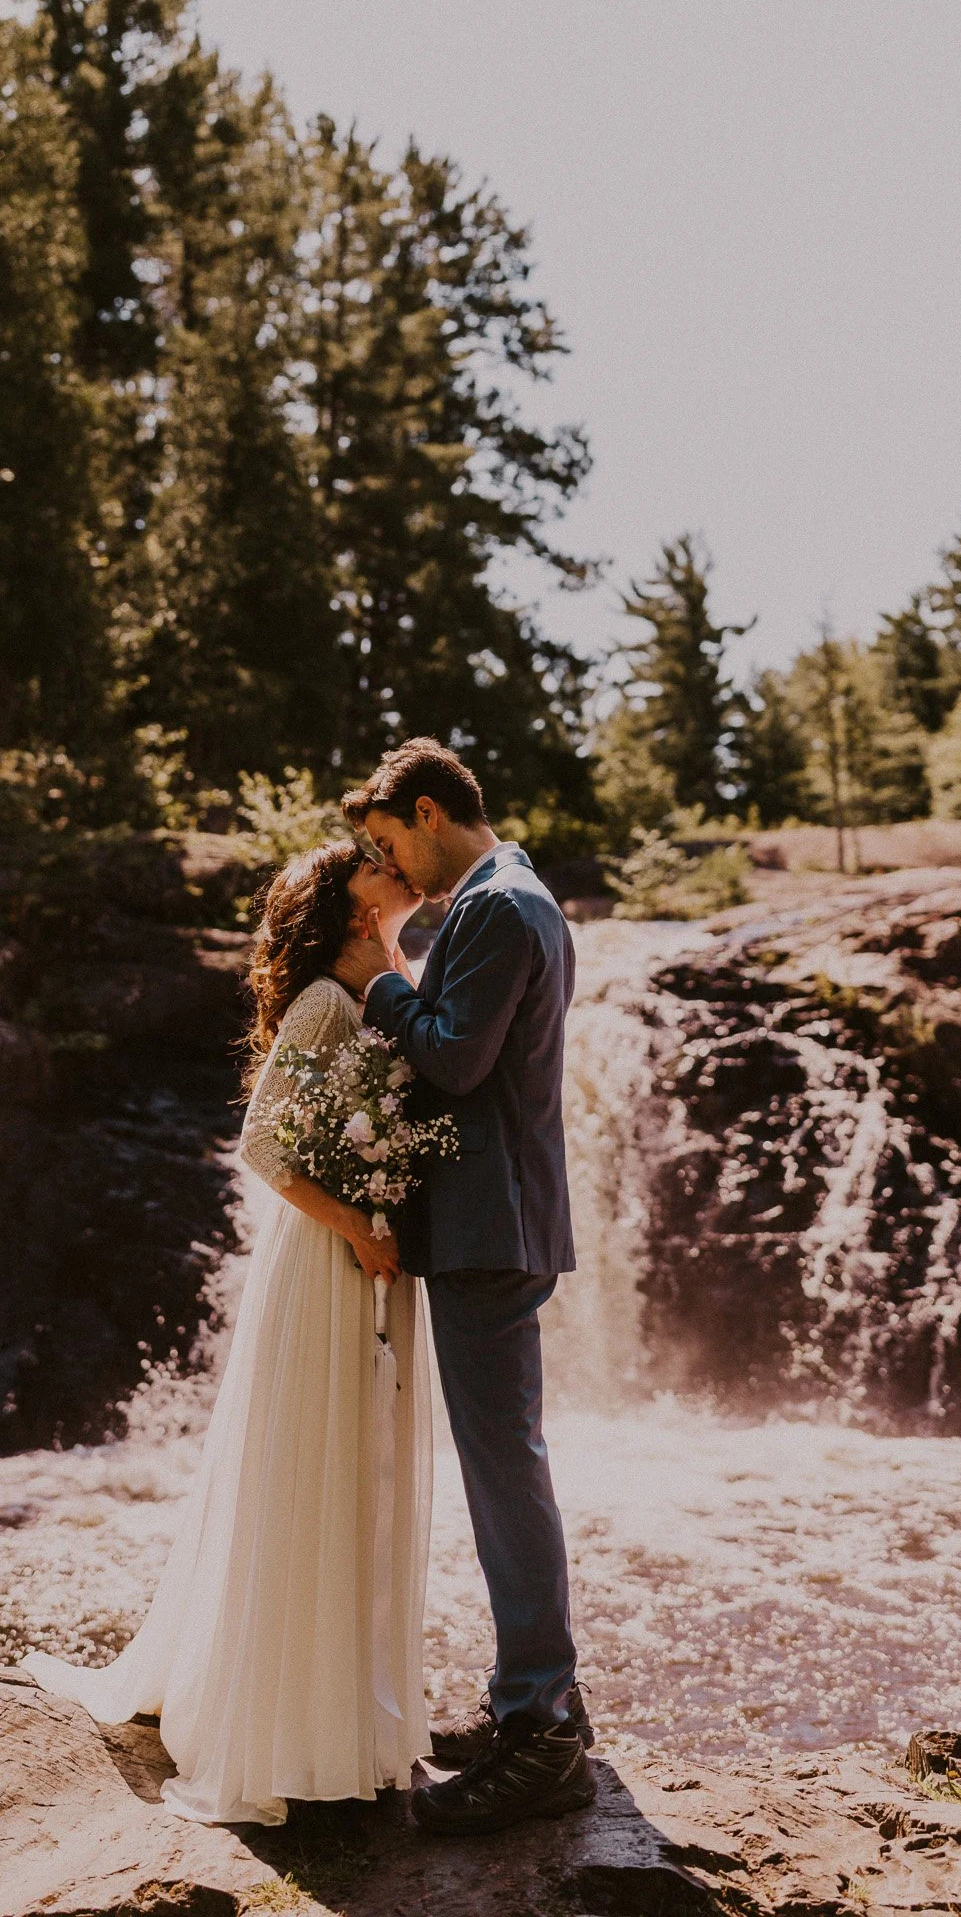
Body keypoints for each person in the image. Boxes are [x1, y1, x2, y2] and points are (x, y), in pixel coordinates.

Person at [22, 840, 433, 1827]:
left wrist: (426, 1166)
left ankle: (352, 1718)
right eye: (377, 864)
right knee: (311, 1473)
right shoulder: (325, 1003)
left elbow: (414, 1121)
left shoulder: (397, 988)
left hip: (378, 1253)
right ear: (343, 905)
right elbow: (262, 1140)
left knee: (365, 1478)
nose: (397, 867)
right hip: (329, 1260)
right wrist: (360, 1224)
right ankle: (286, 1727)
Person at [334, 738, 595, 1837]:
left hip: (493, 1228)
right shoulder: (522, 895)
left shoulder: (493, 905)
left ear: (430, 811)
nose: (393, 863)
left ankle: (540, 1728)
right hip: (501, 1221)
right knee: (508, 1466)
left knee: (504, 1473)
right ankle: (530, 1705)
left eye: (391, 841)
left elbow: (452, 1060)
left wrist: (379, 984)